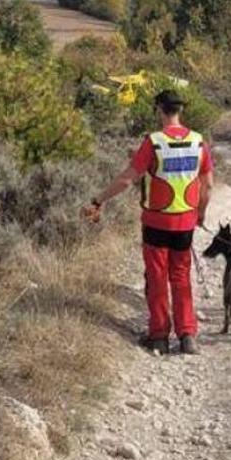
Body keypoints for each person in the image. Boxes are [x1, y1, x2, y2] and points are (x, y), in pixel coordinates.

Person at [85, 89, 214, 356]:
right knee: (181, 277)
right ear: (180, 110)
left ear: (159, 109)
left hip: (157, 222)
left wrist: (99, 199)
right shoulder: (198, 141)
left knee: (157, 278)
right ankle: (188, 335)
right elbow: (208, 184)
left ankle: (159, 337)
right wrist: (200, 213)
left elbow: (126, 179)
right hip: (185, 222)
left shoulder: (154, 142)